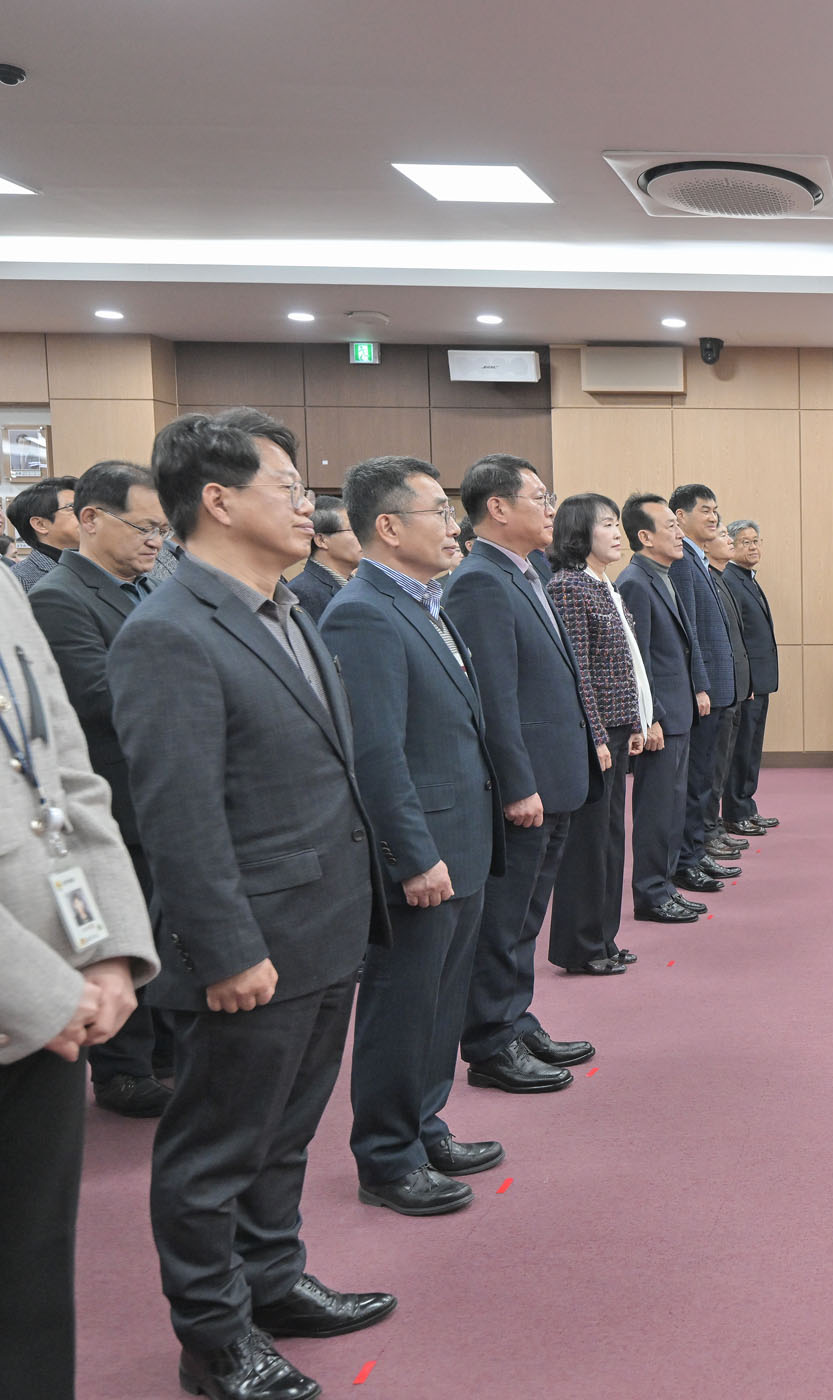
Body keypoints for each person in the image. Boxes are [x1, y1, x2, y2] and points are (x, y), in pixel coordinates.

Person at [109, 410, 396, 1400]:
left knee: (284, 1133)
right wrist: (226, 948)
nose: (310, 507)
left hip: (322, 925)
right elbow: (177, 814)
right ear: (219, 500)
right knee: (214, 1153)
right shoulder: (169, 631)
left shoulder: (287, 608)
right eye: (289, 488)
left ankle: (272, 1279)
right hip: (250, 945)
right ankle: (214, 1337)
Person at [322, 457, 506, 1218]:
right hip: (424, 850)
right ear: (389, 527)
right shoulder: (363, 612)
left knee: (439, 1000)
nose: (455, 526)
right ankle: (388, 1156)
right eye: (439, 511)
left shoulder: (423, 601)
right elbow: (375, 753)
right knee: (402, 1007)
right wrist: (412, 855)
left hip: (460, 838)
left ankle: (425, 1125)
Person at [0, 569, 158, 1400]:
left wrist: (107, 950)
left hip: (59, 997)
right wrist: (38, 992)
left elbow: (67, 775)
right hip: (34, 996)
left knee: (30, 1275)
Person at [443, 454, 597, 1094]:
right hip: (527, 784)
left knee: (527, 916)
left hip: (554, 775)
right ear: (498, 507)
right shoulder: (480, 581)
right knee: (503, 922)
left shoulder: (526, 571)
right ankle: (490, 1041)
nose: (552, 509)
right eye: (541, 497)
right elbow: (494, 698)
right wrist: (517, 784)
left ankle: (516, 1017)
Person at [26, 457, 174, 1117]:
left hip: (159, 792)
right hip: (114, 796)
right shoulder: (58, 597)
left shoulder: (148, 587)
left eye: (162, 529)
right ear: (90, 519)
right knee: (123, 931)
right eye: (144, 527)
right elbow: (97, 696)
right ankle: (122, 1071)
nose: (156, 541)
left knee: (162, 932)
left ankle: (160, 1055)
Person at [546, 494, 650, 972]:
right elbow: (579, 671)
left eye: (615, 523)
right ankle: (581, 946)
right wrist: (596, 735)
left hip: (616, 726)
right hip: (596, 733)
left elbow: (625, 662)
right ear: (578, 532)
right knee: (587, 847)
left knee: (609, 840)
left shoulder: (604, 583)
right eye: (606, 524)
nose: (616, 532)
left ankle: (604, 938)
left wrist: (633, 721)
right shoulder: (569, 586)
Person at [617, 493, 709, 923]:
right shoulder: (635, 581)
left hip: (677, 712)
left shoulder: (663, 575)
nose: (679, 533)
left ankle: (666, 885)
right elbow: (639, 659)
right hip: (661, 719)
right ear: (645, 536)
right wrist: (649, 716)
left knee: (672, 808)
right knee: (655, 812)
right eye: (670, 526)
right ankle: (651, 893)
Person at [667, 485, 746, 875]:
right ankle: (690, 857)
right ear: (680, 517)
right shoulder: (683, 561)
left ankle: (697, 851)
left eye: (715, 510)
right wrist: (700, 684)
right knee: (697, 780)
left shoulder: (698, 559)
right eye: (704, 510)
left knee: (704, 777)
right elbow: (690, 632)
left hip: (716, 689)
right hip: (705, 691)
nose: (713, 517)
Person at [699, 521, 760, 833]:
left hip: (738, 683)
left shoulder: (725, 579)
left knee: (731, 758)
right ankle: (713, 828)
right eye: (724, 536)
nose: (732, 542)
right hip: (720, 688)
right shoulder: (715, 579)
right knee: (716, 765)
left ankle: (722, 822)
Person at [721, 519, 781, 830]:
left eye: (756, 541)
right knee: (741, 749)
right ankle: (735, 812)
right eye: (746, 542)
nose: (753, 547)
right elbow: (736, 638)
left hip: (760, 679)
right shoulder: (731, 580)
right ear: (730, 546)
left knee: (752, 747)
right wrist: (747, 682)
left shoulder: (748, 578)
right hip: (748, 683)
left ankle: (747, 805)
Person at [286, 494, 360, 617]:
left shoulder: (358, 585)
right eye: (353, 530)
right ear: (321, 540)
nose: (362, 537)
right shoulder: (303, 593)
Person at [8, 474, 79, 590]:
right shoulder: (17, 581)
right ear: (40, 525)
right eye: (73, 507)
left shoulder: (95, 566)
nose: (86, 515)